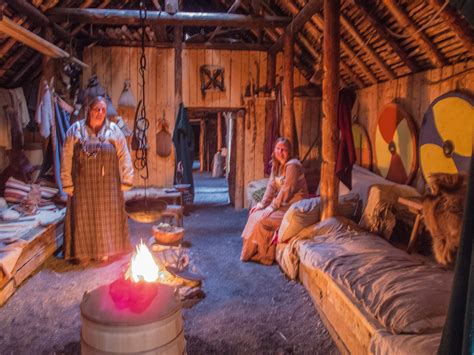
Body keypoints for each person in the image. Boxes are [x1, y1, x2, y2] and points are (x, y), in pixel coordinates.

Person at [60, 96, 134, 264]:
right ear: (89, 110)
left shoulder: (113, 131)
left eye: (103, 110)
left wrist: (127, 178)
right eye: (97, 109)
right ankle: (83, 253)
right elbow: (66, 157)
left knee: (104, 220)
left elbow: (124, 156)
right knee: (83, 219)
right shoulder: (75, 130)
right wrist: (67, 182)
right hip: (82, 185)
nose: (100, 113)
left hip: (108, 186)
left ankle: (105, 252)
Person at [241, 137, 308, 265]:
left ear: (289, 152)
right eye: (278, 148)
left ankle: (264, 256)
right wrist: (261, 204)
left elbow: (286, 190)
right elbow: (271, 187)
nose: (280, 152)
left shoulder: (293, 166)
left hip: (294, 206)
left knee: (263, 220)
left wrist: (272, 207)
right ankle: (248, 252)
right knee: (254, 214)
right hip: (283, 204)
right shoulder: (276, 165)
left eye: (284, 150)